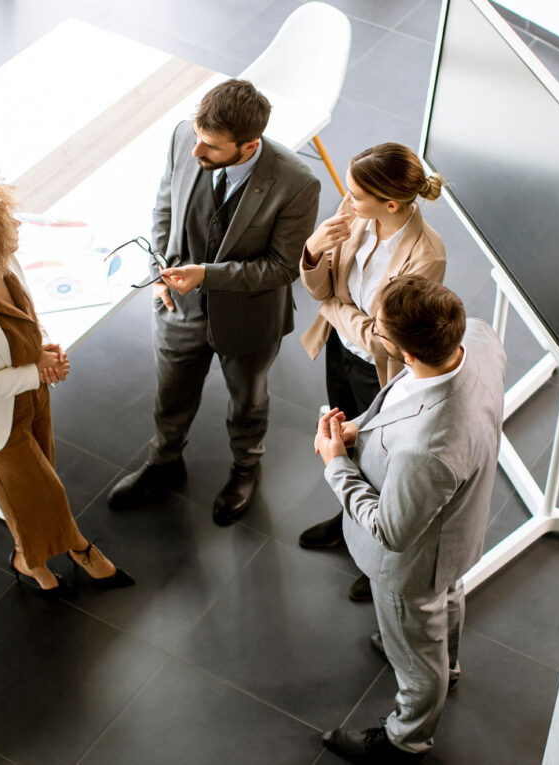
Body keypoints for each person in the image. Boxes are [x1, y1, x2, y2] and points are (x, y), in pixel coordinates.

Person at [106, 79, 321, 525]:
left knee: (248, 400)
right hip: (176, 308)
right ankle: (164, 462)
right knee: (170, 395)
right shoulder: (185, 135)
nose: (196, 152)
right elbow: (164, 208)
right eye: (199, 138)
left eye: (212, 147)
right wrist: (158, 271)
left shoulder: (297, 184)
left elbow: (283, 269)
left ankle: (246, 468)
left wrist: (207, 277)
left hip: (249, 318)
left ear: (248, 146)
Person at [0, 169, 134, 598]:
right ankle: (80, 549)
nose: (17, 226)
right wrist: (32, 371)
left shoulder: (6, 266)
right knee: (41, 492)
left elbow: (22, 324)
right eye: (5, 225)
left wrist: (42, 354)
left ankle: (27, 558)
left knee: (34, 488)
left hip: (32, 397)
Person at [313, 276, 505, 763]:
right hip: (455, 532)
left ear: (409, 353)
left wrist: (334, 461)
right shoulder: (477, 337)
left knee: (417, 661)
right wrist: (361, 429)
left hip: (413, 563)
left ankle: (407, 737)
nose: (374, 331)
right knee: (449, 598)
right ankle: (450, 663)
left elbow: (390, 530)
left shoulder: (430, 447)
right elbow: (403, 398)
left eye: (380, 329)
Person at [297, 143, 447, 602]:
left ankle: (372, 549)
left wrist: (336, 308)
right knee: (341, 436)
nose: (348, 199)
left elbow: (385, 339)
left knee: (375, 461)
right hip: (338, 352)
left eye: (358, 194)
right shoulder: (356, 218)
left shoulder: (426, 256)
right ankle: (348, 522)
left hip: (377, 371)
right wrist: (314, 249)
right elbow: (322, 289)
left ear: (392, 204)